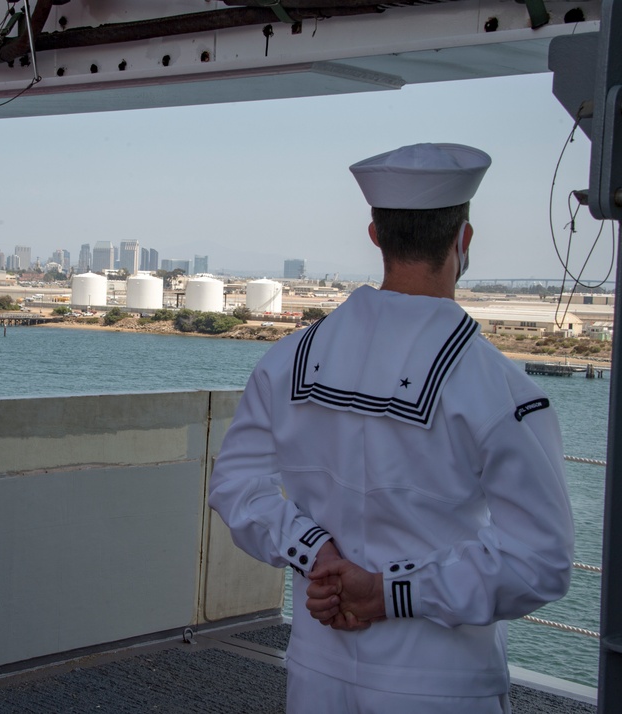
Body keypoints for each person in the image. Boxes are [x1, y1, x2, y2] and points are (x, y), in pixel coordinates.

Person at [208, 143, 574, 713]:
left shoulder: (286, 361)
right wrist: (388, 593)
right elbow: (539, 562)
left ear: (376, 235)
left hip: (317, 667)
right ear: (464, 239)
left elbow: (235, 489)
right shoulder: (500, 390)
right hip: (441, 681)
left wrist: (316, 553)